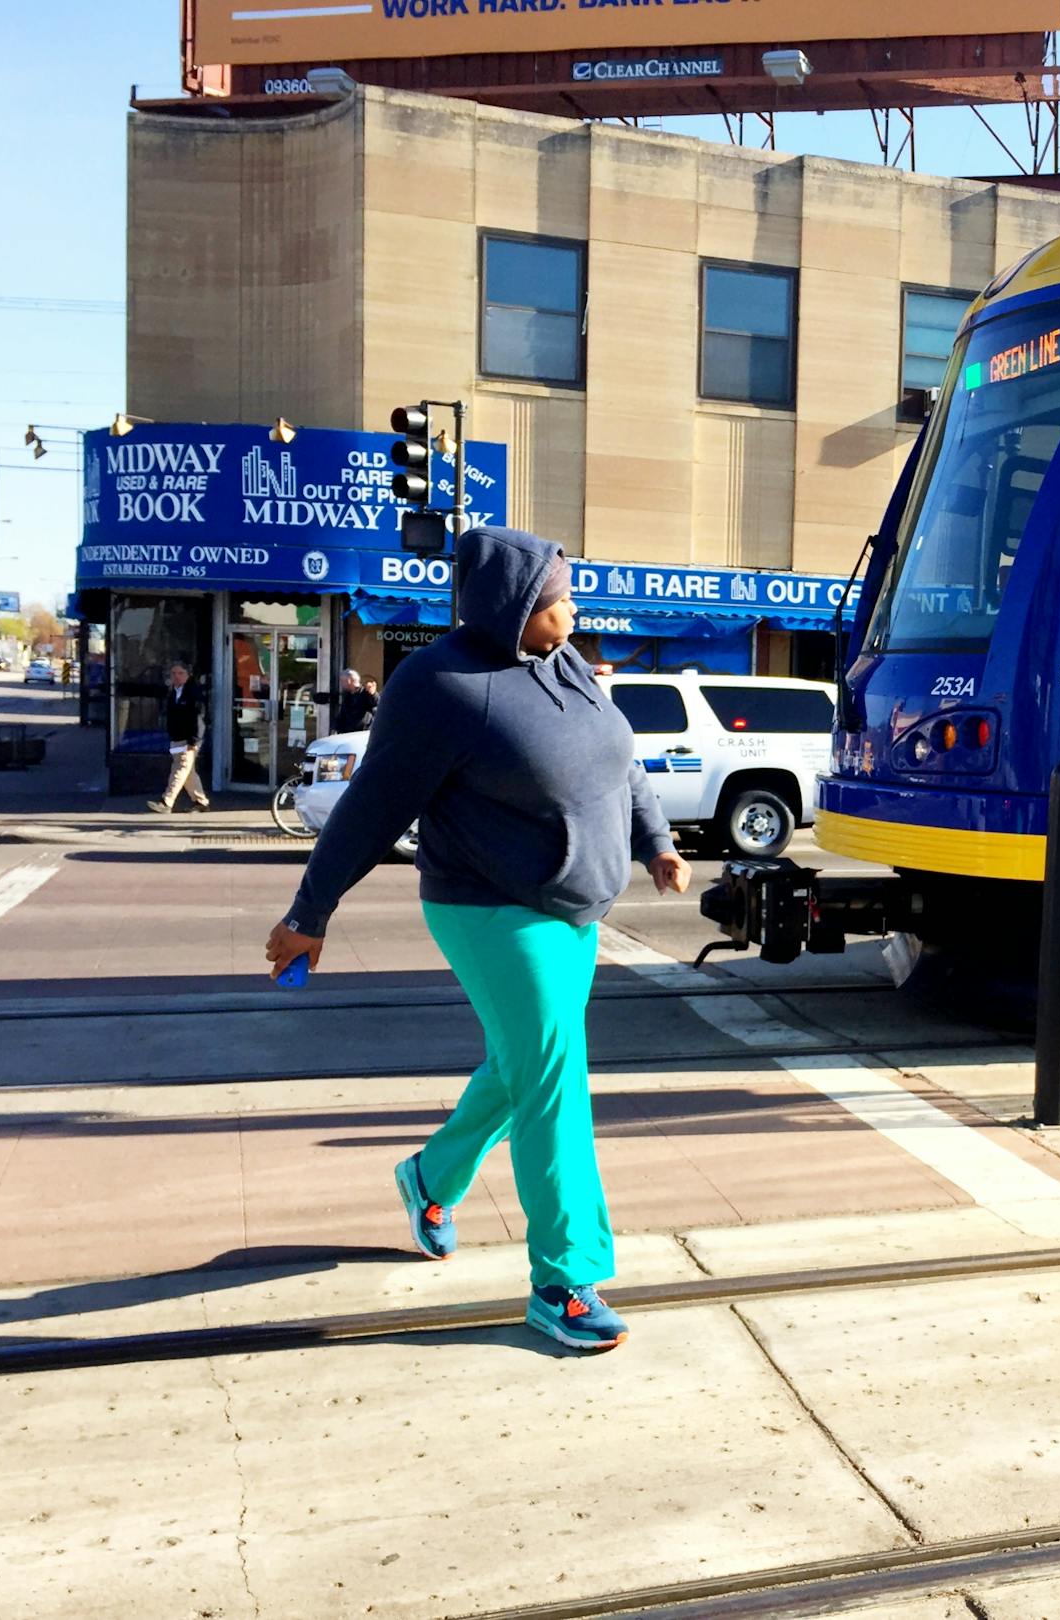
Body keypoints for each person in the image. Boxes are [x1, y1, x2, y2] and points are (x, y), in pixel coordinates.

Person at [264, 527, 691, 1354]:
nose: (575, 607)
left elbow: (622, 762)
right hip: (492, 909)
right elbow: (373, 805)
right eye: (559, 597)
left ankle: (430, 1178)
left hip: (574, 909)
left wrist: (657, 842)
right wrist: (310, 912)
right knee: (555, 1081)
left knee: (522, 1067)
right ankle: (565, 1282)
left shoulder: (565, 664)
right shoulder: (440, 684)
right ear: (515, 605)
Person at [147, 661, 212, 813]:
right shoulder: (173, 692)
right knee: (188, 772)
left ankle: (166, 802)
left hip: (189, 739)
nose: (176, 676)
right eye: (174, 673)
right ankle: (201, 802)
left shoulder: (193, 693)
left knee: (180, 768)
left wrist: (194, 740)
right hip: (176, 738)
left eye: (180, 673)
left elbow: (198, 718)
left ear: (188, 675)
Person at [315, 668, 377, 734]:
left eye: (342, 681)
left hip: (360, 734)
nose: (341, 684)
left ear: (349, 681)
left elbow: (376, 703)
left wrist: (373, 694)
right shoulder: (348, 695)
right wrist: (335, 728)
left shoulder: (366, 693)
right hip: (346, 733)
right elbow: (342, 715)